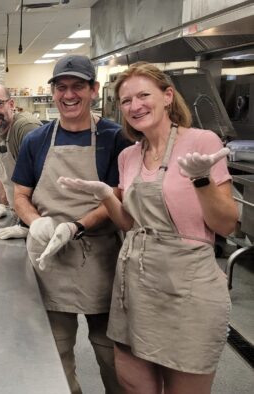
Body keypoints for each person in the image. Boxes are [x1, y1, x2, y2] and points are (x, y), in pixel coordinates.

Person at [59, 62, 237, 393]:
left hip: (187, 284)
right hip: (135, 282)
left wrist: (201, 180)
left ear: (168, 96)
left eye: (144, 95)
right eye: (126, 101)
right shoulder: (128, 156)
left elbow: (225, 223)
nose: (135, 106)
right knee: (133, 383)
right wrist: (106, 196)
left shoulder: (201, 141)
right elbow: (129, 223)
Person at [12, 55, 129, 394]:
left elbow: (118, 195)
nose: (69, 95)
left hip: (101, 258)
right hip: (50, 261)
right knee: (57, 352)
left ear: (93, 90)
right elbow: (20, 194)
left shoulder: (114, 138)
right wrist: (37, 224)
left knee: (111, 354)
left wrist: (76, 226)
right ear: (53, 93)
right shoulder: (37, 140)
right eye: (61, 87)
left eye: (78, 86)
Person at [0, 84, 42, 240]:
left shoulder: (26, 129)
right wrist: (4, 205)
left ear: (11, 104)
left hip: (39, 221)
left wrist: (29, 223)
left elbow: (43, 184)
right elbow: (1, 176)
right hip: (20, 211)